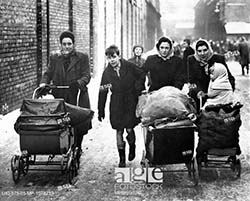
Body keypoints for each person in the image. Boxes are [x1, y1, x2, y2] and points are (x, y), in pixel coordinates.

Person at [40, 30, 92, 155]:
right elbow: (48, 73)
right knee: (61, 120)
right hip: (60, 93)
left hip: (77, 94)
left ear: (73, 44)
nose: (67, 46)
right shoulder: (54, 58)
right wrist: (43, 83)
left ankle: (78, 146)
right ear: (61, 45)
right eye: (64, 44)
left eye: (69, 44)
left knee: (78, 121)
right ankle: (63, 144)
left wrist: (78, 83)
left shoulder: (82, 57)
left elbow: (86, 75)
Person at [97, 45, 145, 167]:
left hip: (130, 101)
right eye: (109, 58)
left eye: (114, 57)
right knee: (119, 130)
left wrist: (138, 87)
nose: (112, 60)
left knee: (129, 128)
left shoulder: (128, 66)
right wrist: (100, 110)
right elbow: (103, 90)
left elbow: (141, 75)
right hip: (116, 102)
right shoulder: (107, 73)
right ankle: (122, 158)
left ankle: (132, 146)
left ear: (119, 56)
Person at [187, 38, 235, 110]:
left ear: (209, 49)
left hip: (217, 93)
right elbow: (191, 81)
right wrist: (198, 91)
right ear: (196, 51)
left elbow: (229, 77)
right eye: (199, 51)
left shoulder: (218, 59)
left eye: (205, 50)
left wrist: (226, 92)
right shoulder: (192, 60)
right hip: (200, 93)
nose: (202, 53)